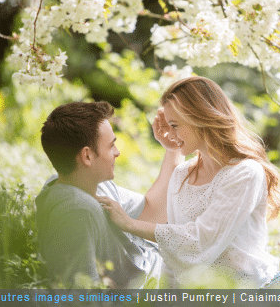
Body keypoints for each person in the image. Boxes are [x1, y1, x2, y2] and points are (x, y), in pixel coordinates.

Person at [97, 76, 280, 289]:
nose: (171, 133)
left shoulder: (245, 173)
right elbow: (174, 256)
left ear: (199, 118)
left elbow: (199, 240)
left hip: (261, 289)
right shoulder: (181, 175)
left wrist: (130, 224)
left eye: (175, 125)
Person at [36, 101, 183, 288]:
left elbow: (154, 213)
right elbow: (84, 296)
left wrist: (174, 148)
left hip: (167, 265)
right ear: (87, 156)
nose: (118, 152)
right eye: (111, 146)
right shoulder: (77, 211)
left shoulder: (92, 185)